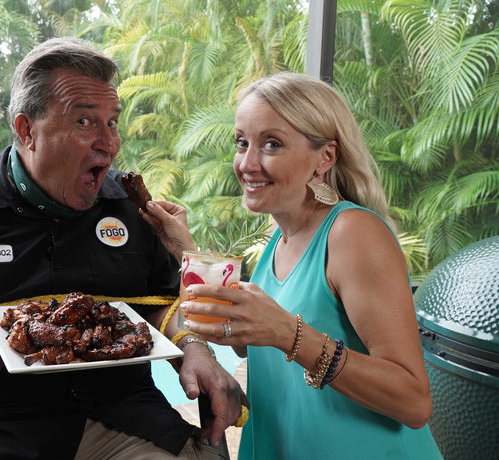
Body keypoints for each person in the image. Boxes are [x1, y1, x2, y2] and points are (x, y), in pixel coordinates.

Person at [0, 37, 246, 460]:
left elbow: (162, 304)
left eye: (112, 122)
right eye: (85, 123)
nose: (108, 142)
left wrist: (195, 349)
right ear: (26, 130)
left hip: (121, 415)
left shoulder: (131, 210)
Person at [142, 72, 443, 459]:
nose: (247, 163)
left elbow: (413, 400)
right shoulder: (278, 239)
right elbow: (260, 346)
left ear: (325, 157)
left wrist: (289, 334)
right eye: (242, 142)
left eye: (272, 144)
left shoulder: (352, 233)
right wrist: (185, 250)